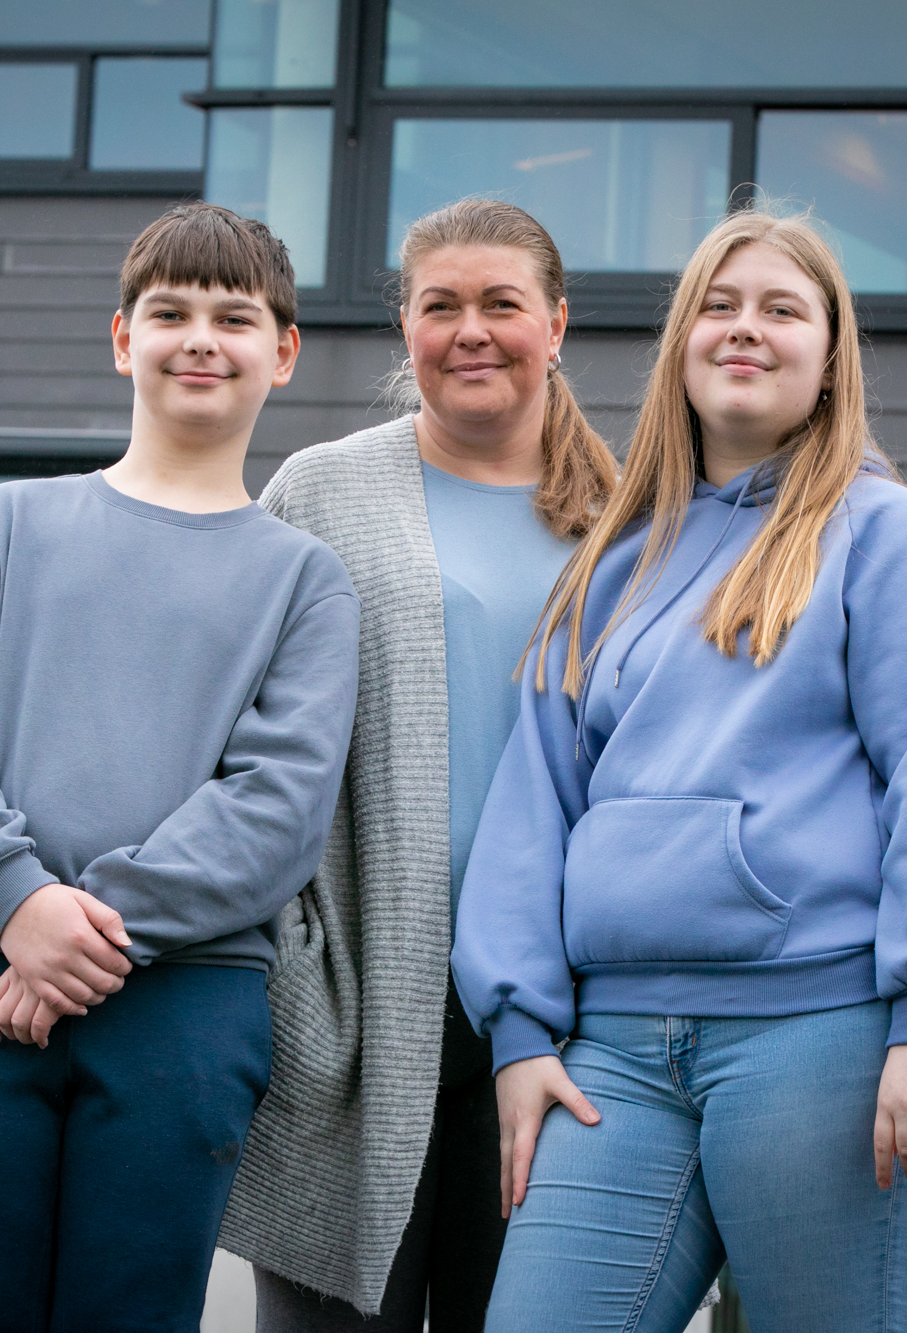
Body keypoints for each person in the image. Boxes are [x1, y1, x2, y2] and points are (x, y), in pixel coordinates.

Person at [453, 207, 907, 1332]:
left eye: (781, 309)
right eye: (718, 306)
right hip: (612, 1057)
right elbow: (533, 805)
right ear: (681, 346)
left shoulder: (886, 536)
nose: (744, 328)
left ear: (829, 360)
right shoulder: (611, 562)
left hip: (825, 1038)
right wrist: (516, 1036)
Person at [0, 202, 361, 1332]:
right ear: (121, 338)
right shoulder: (3, 526)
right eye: (170, 313)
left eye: (234, 318)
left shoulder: (304, 581)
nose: (200, 339)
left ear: (283, 351)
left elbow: (277, 809)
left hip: (182, 1005)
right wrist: (15, 901)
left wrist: (80, 936)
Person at [219, 199, 618, 1330]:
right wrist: (290, 974)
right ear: (405, 325)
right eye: (440, 305)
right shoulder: (319, 492)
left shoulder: (628, 515)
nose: (470, 331)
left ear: (555, 323)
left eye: (501, 303)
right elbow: (232, 738)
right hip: (356, 1014)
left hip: (562, 1024)